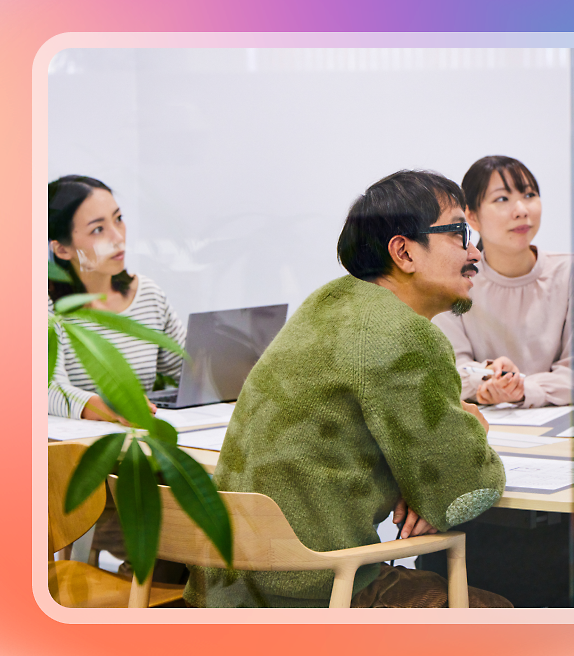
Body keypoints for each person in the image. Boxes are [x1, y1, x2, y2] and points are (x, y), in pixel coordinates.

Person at [184, 170, 511, 609]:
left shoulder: (326, 304)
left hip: (226, 589)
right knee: (500, 612)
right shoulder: (403, 334)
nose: (475, 250)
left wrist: (429, 478)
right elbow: (462, 490)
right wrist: (472, 432)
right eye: (459, 232)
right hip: (305, 593)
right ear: (404, 252)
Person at [434, 156, 574, 408]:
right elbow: (451, 369)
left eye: (530, 195)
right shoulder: (454, 279)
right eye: (502, 199)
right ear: (472, 217)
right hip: (485, 426)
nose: (522, 210)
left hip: (562, 427)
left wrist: (521, 390)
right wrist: (491, 382)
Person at [48, 175, 186, 420]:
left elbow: (188, 373)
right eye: (98, 229)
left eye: (118, 219)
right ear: (62, 249)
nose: (118, 237)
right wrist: (113, 407)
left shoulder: (147, 294)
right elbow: (47, 390)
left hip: (142, 438)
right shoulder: (46, 310)